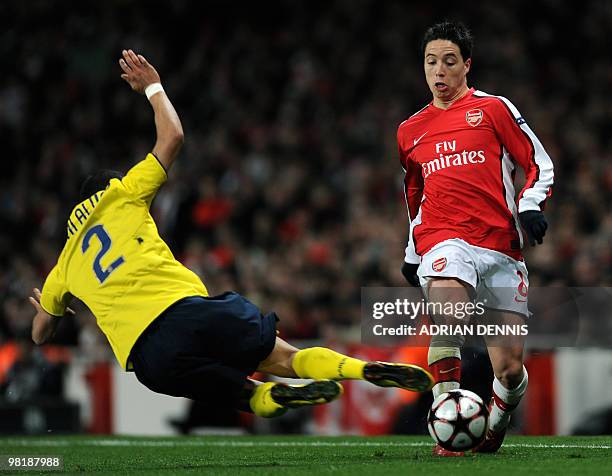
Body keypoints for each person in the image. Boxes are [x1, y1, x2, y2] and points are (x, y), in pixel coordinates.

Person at [28, 49, 433, 421]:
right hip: (187, 313)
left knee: (242, 394)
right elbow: (173, 137)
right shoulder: (122, 194)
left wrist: (53, 309)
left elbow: (40, 334)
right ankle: (360, 369)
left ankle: (267, 398)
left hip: (148, 357)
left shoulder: (64, 264)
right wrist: (153, 86)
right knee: (286, 357)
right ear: (108, 186)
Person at [397, 22, 554, 455]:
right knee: (449, 314)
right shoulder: (410, 130)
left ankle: (496, 424)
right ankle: (447, 420)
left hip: (499, 248)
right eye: (431, 62)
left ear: (467, 65)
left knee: (508, 369)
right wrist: (413, 252)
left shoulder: (493, 109)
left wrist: (530, 204)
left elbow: (537, 161)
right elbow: (415, 195)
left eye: (449, 61)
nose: (439, 71)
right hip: (446, 240)